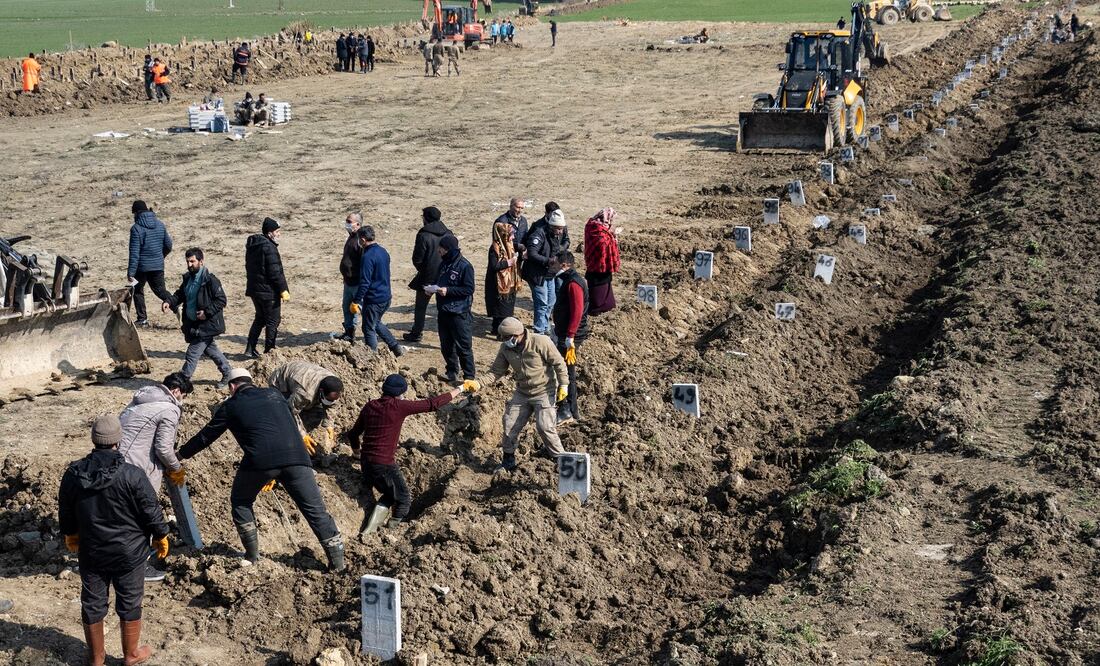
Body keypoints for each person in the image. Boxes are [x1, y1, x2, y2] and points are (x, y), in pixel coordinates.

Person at [179, 369, 346, 571]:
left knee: (241, 501)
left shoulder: (230, 406)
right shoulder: (274, 394)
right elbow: (289, 420)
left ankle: (252, 556)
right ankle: (338, 565)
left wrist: (180, 455)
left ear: (232, 387)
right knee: (316, 512)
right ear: (251, 381)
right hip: (298, 459)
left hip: (260, 463)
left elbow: (206, 437)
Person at [59, 414, 170, 666]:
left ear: (94, 440)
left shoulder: (74, 474)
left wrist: (70, 532)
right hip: (129, 553)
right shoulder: (132, 474)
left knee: (93, 601)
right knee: (130, 600)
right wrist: (161, 534)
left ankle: (96, 659)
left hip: (92, 551)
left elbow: (65, 509)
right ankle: (131, 654)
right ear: (118, 441)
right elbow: (150, 509)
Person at [348, 375, 475, 532]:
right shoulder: (398, 406)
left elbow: (353, 434)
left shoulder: (370, 406)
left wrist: (356, 454)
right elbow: (433, 404)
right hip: (384, 465)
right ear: (400, 393)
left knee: (390, 494)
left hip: (366, 464)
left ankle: (372, 527)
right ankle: (393, 530)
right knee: (404, 499)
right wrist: (461, 388)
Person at [484, 317, 568, 470]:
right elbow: (496, 371)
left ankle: (561, 460)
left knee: (544, 426)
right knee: (509, 424)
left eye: (507, 338)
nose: (504, 341)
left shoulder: (541, 342)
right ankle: (508, 461)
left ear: (517, 335)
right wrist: (477, 383)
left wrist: (564, 384)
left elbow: (559, 363)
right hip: (522, 392)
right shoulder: (506, 348)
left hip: (544, 390)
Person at [161, 248, 232, 384]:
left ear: (201, 261)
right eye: (187, 262)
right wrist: (169, 302)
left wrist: (207, 313)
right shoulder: (188, 278)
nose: (189, 265)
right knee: (211, 349)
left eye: (192, 261)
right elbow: (180, 294)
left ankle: (181, 382)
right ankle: (228, 372)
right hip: (193, 324)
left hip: (206, 325)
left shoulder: (210, 280)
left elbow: (221, 300)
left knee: (192, 353)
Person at [119, 372, 192, 494]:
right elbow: (163, 449)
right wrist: (176, 469)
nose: (182, 401)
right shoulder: (169, 409)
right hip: (134, 471)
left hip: (114, 462)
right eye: (183, 397)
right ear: (176, 391)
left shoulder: (142, 400)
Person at [425, 235, 476, 382]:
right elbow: (439, 281)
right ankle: (452, 371)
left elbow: (468, 289)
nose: (438, 252)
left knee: (463, 347)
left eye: (441, 249)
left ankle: (469, 377)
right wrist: (432, 288)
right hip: (444, 311)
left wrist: (449, 291)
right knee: (446, 345)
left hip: (459, 313)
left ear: (447, 249)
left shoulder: (465, 266)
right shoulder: (444, 264)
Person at [349, 226, 404, 356]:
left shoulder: (367, 256)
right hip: (386, 297)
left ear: (363, 239)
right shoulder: (383, 251)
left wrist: (356, 301)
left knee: (368, 328)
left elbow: (365, 282)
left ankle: (372, 357)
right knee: (376, 322)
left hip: (374, 299)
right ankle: (396, 348)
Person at [269, 361, 343, 454]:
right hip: (281, 381)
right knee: (282, 411)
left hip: (304, 374)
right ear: (321, 391)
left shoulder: (336, 386)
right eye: (329, 399)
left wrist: (329, 425)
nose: (332, 401)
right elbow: (291, 411)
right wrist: (302, 435)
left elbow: (333, 405)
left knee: (312, 408)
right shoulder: (305, 393)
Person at [549, 252, 588, 426]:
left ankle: (567, 410)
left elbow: (577, 310)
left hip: (570, 336)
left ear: (564, 265)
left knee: (566, 372)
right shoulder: (571, 280)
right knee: (565, 371)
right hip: (566, 333)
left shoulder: (573, 283)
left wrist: (570, 335)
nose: (552, 265)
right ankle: (569, 409)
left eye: (555, 263)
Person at [406, 206, 452, 342]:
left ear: (426, 218)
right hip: (446, 276)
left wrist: (424, 270)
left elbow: (417, 259)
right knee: (445, 307)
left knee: (421, 307)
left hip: (427, 276)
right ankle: (448, 334)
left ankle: (417, 333)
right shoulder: (448, 233)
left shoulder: (423, 235)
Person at [243, 217, 288, 358]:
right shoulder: (269, 248)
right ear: (270, 233)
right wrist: (283, 290)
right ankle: (269, 351)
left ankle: (250, 349)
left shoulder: (253, 245)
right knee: (273, 321)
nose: (279, 234)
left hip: (255, 290)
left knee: (260, 318)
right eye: (277, 231)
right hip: (268, 292)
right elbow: (275, 273)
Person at [521, 205, 569, 335]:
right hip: (537, 274)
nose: (560, 232)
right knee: (542, 303)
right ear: (552, 226)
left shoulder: (558, 234)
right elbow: (532, 253)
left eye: (562, 229)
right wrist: (547, 261)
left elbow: (565, 243)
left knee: (551, 301)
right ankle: (539, 330)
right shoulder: (539, 233)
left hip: (550, 274)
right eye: (558, 229)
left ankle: (545, 326)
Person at [126, 200, 173, 328]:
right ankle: (174, 304)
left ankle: (142, 319)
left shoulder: (136, 228)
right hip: (158, 265)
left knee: (137, 290)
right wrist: (159, 257)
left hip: (141, 268)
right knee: (160, 290)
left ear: (136, 213)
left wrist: (130, 272)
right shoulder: (160, 224)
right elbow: (169, 245)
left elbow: (134, 253)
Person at [583, 207, 621, 315]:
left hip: (601, 268)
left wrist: (611, 235)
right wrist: (613, 237)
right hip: (598, 267)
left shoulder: (595, 226)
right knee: (598, 297)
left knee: (606, 294)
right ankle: (596, 310)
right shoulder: (596, 229)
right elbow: (602, 244)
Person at [485, 222, 519, 336]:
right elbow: (494, 266)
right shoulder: (495, 248)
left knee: (505, 309)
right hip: (498, 284)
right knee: (501, 311)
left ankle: (496, 330)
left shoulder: (509, 245)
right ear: (504, 235)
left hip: (508, 283)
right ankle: (500, 332)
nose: (513, 237)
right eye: (511, 234)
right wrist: (509, 262)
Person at [336, 212, 363, 342]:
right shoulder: (351, 236)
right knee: (347, 308)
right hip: (348, 282)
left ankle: (372, 334)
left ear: (357, 224)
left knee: (363, 310)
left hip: (357, 283)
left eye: (349, 221)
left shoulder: (360, 240)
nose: (346, 223)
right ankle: (349, 333)